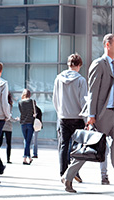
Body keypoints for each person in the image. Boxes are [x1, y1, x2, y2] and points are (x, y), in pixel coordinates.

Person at [62, 34, 114, 192]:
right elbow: (92, 92)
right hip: (102, 114)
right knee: (91, 147)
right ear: (107, 45)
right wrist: (91, 115)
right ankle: (68, 176)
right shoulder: (99, 64)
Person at [53, 53, 87, 189]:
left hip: (63, 117)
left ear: (68, 64)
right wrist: (86, 119)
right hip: (78, 117)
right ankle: (73, 172)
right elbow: (83, 101)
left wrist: (60, 112)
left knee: (63, 146)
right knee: (78, 147)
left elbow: (55, 99)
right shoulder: (81, 80)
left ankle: (63, 173)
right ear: (79, 65)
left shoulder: (58, 79)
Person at [18, 89, 36, 165]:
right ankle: (25, 158)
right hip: (30, 123)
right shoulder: (32, 101)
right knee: (28, 141)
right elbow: (34, 111)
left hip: (23, 123)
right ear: (29, 94)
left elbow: (21, 112)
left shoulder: (20, 102)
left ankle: (29, 158)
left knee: (26, 141)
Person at [0, 92, 15, 164]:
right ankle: (8, 159)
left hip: (1, 125)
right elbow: (9, 116)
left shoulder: (0, 103)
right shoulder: (9, 104)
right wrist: (15, 120)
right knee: (8, 143)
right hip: (8, 126)